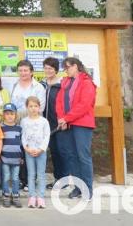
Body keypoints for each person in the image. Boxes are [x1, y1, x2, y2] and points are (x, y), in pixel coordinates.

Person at [56, 57, 97, 200]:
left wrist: (67, 118)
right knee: (72, 156)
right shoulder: (65, 83)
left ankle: (88, 189)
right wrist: (62, 118)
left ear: (76, 66)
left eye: (67, 67)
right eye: (65, 68)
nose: (66, 71)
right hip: (67, 124)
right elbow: (59, 102)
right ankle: (78, 187)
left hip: (82, 124)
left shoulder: (87, 83)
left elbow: (84, 105)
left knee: (83, 156)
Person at [40, 57, 66, 189]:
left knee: (60, 151)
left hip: (58, 124)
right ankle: (57, 179)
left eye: (50, 68)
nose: (47, 70)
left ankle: (63, 180)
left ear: (56, 70)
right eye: (45, 68)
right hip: (44, 125)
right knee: (52, 152)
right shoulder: (41, 84)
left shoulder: (62, 85)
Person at [21, 96, 50, 208]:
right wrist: (26, 148)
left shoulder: (44, 121)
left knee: (41, 175)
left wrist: (41, 149)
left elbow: (47, 136)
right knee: (31, 174)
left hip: (41, 152)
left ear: (39, 107)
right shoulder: (24, 121)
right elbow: (23, 136)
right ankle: (32, 197)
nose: (33, 108)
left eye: (35, 106)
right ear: (27, 107)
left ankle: (41, 197)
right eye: (31, 106)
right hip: (29, 151)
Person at [0, 103, 23, 208]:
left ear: (15, 115)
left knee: (15, 178)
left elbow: (22, 143)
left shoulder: (19, 128)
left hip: (16, 158)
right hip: (4, 158)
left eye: (12, 114)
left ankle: (15, 195)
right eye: (7, 113)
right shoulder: (1, 128)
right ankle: (6, 195)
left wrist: (22, 157)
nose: (9, 116)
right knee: (6, 177)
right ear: (3, 115)